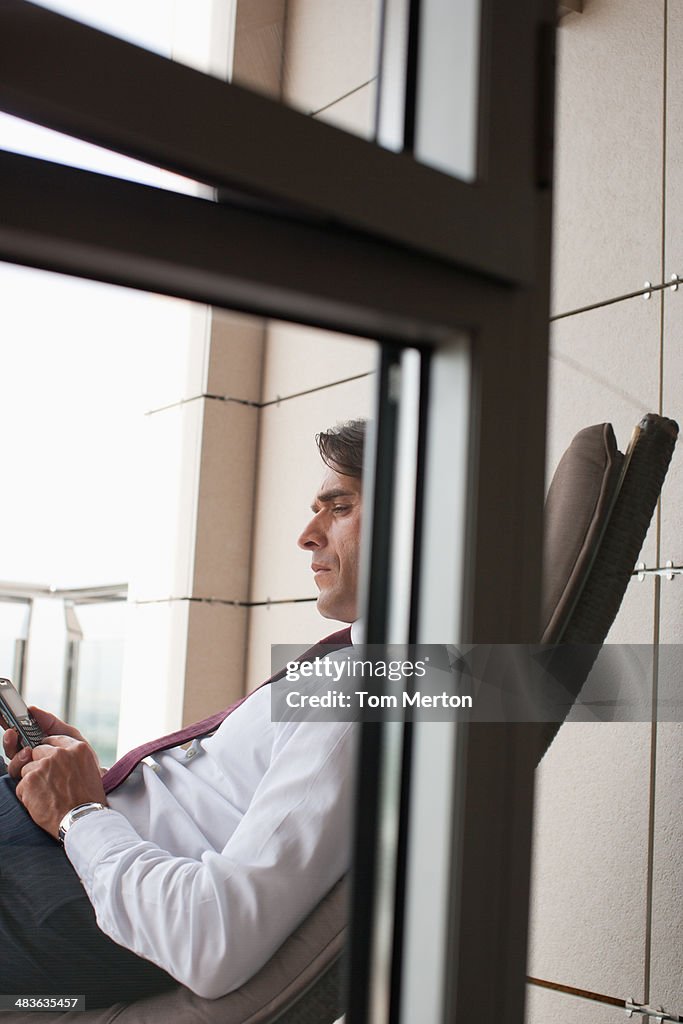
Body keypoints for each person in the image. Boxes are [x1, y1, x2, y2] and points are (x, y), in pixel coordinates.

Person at [0, 419, 366, 1007]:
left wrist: (77, 814)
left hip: (82, 893)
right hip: (74, 853)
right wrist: (85, 786)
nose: (307, 535)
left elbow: (210, 935)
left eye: (338, 507)